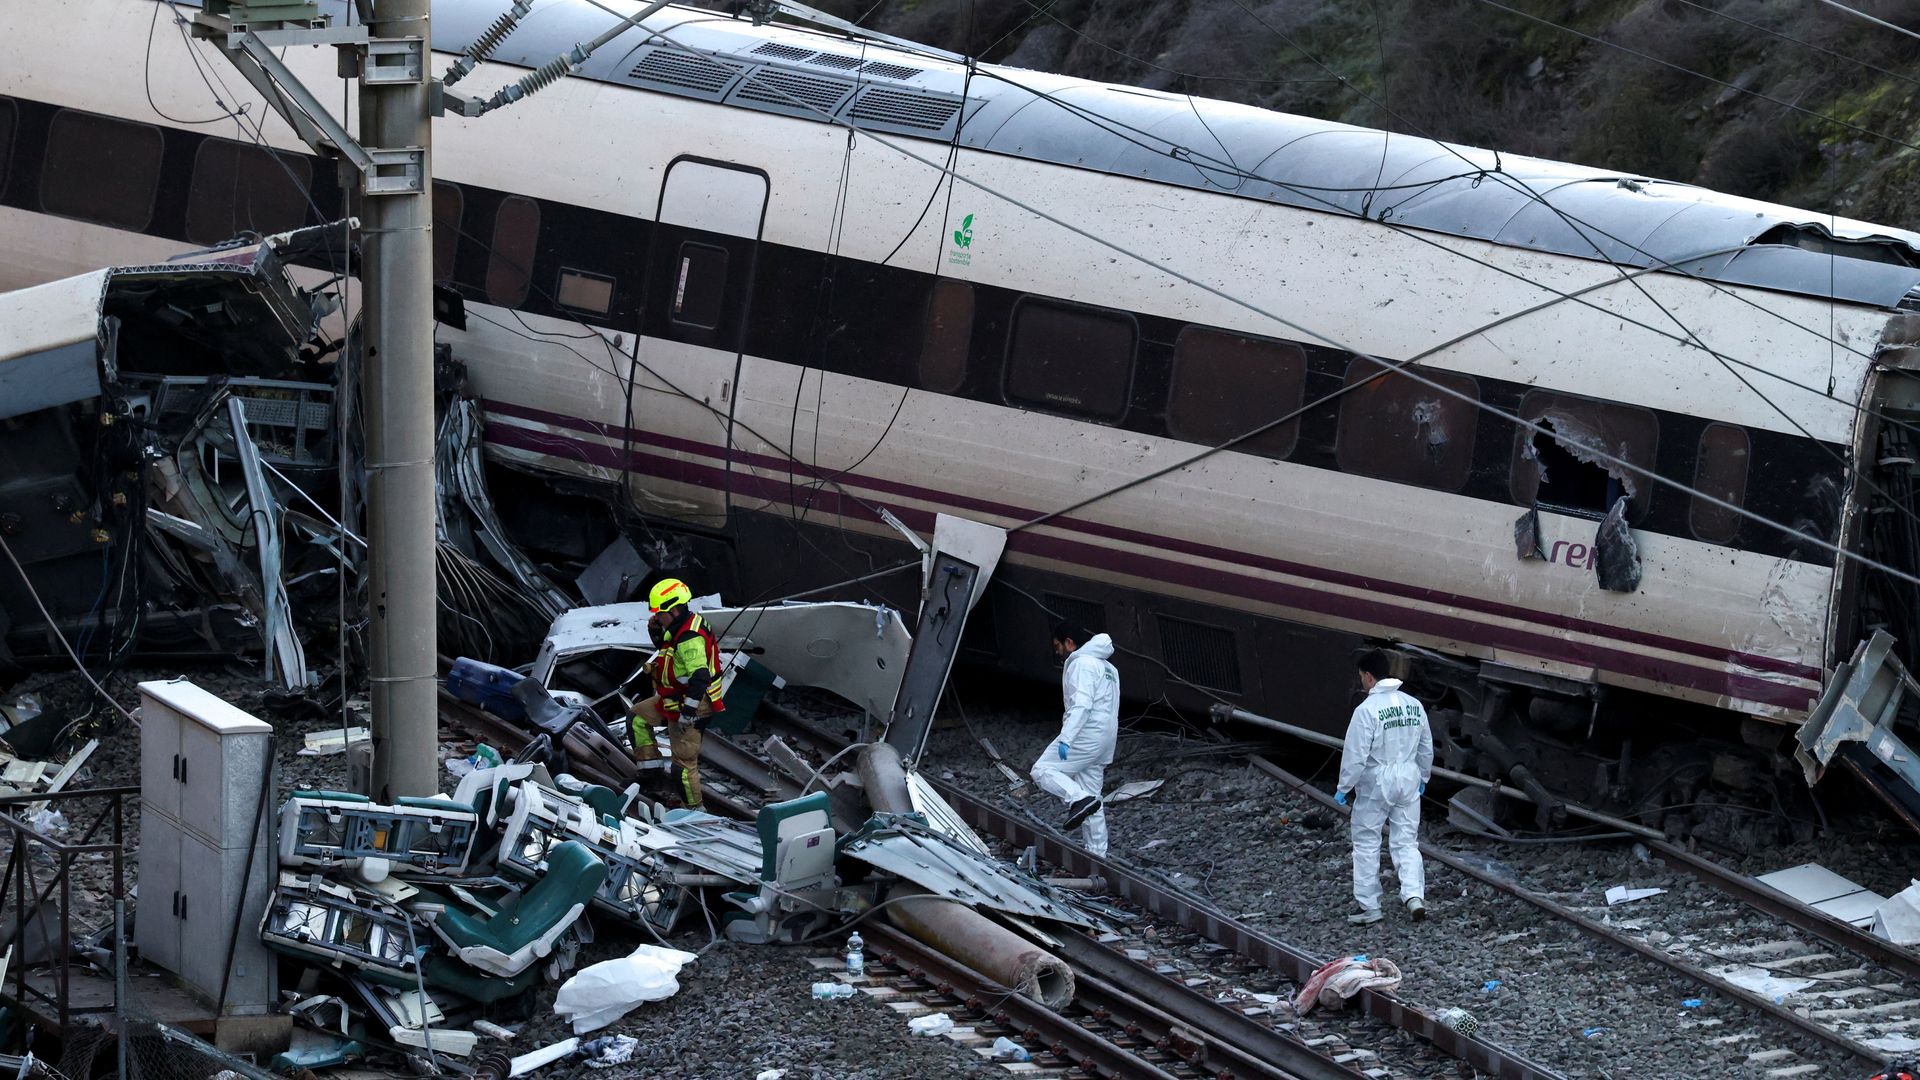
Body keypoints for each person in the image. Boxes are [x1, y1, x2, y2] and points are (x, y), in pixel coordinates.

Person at [1335, 649, 1433, 925]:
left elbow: (1355, 755)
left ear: (1368, 676)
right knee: (1406, 841)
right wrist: (1423, 778)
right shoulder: (1414, 705)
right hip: (1409, 778)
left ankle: (1370, 906)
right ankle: (1414, 896)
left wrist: (1344, 787)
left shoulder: (1366, 711)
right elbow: (1426, 748)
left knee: (1367, 842)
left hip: (1377, 782)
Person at [629, 578, 725, 810]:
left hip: (691, 704)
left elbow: (700, 677)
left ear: (673, 609)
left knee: (682, 765)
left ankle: (694, 810)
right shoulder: (681, 626)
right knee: (638, 718)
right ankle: (651, 775)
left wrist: (688, 712)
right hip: (673, 699)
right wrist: (654, 629)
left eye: (659, 613)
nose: (656, 617)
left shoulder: (689, 638)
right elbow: (665, 649)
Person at [1030, 620, 1119, 855]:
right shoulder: (1109, 669)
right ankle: (1097, 856)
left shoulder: (1082, 664)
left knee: (1042, 771)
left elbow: (1081, 705)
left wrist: (1066, 738)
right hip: (1105, 739)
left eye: (1058, 645)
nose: (1057, 651)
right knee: (1093, 797)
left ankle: (1076, 799)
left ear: (1070, 642)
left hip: (1086, 734)